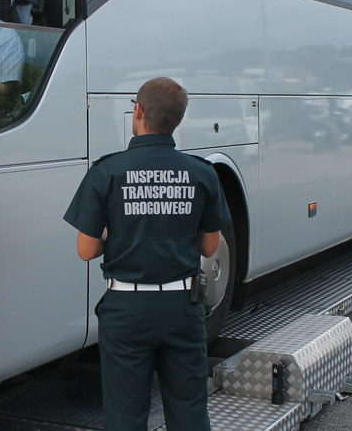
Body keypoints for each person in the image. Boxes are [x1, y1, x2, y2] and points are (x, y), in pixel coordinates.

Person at [63, 77, 231, 431]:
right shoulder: (202, 173)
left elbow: (86, 250)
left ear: (138, 110)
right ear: (178, 120)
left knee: (126, 417)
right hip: (182, 308)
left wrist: (117, 234)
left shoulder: (106, 172)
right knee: (189, 412)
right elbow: (210, 247)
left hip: (127, 311)